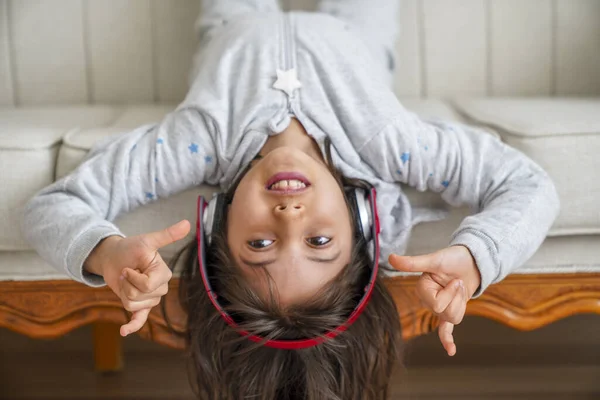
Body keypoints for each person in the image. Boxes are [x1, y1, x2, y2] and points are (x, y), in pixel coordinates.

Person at [22, 0, 560, 398]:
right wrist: (474, 258)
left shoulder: (199, 138)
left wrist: (106, 252)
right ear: (359, 228)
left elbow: (51, 205)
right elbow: (529, 186)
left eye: (259, 243)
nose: (288, 217)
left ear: (220, 230)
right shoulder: (388, 140)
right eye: (319, 241)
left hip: (234, 23)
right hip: (355, 29)